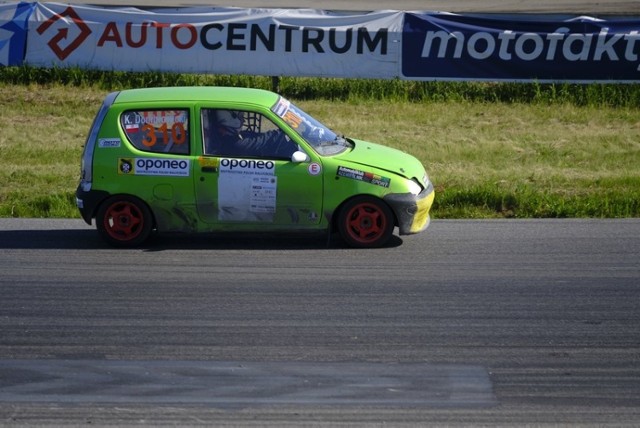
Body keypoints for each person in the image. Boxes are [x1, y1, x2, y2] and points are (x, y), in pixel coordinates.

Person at [206, 109, 295, 158]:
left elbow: (260, 137)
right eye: (241, 117)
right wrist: (293, 131)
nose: (243, 120)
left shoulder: (232, 138)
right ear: (230, 120)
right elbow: (268, 140)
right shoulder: (235, 145)